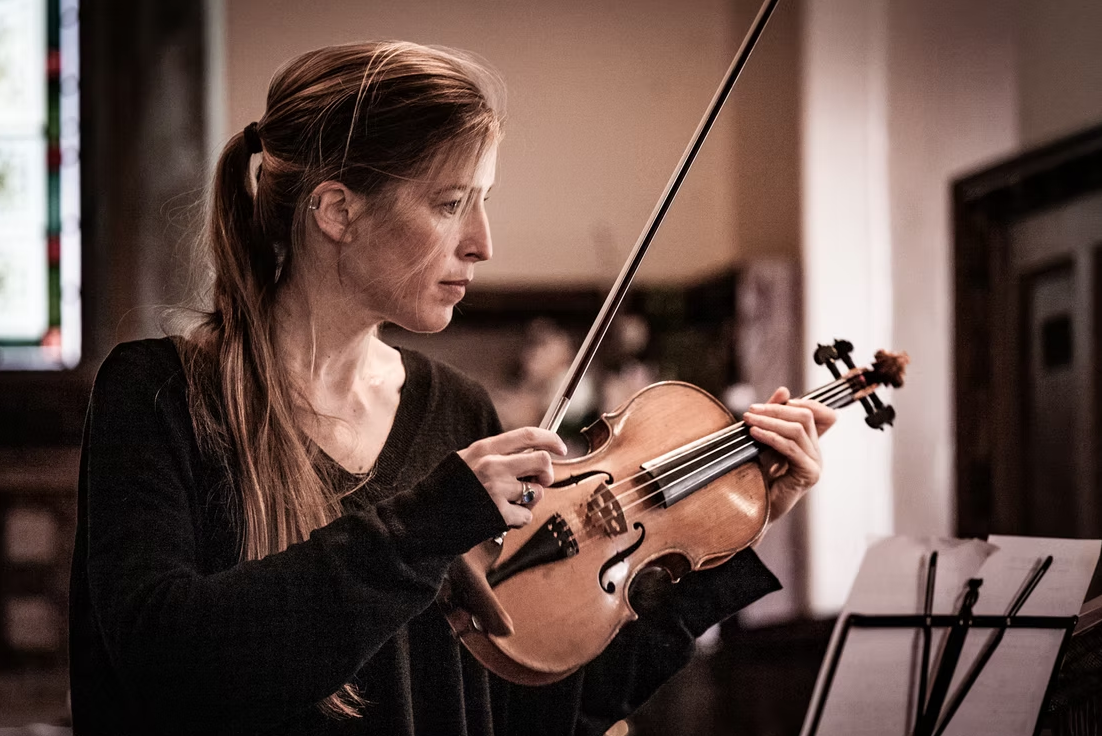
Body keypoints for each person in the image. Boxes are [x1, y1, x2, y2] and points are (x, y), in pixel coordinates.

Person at [68, 41, 835, 735]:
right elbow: (166, 662)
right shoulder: (159, 394)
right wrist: (431, 521)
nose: (482, 243)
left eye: (483, 200)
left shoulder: (458, 411)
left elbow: (535, 709)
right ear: (337, 210)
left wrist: (734, 537)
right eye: (448, 204)